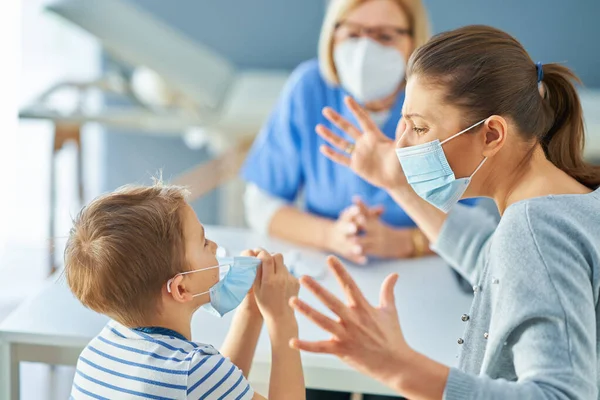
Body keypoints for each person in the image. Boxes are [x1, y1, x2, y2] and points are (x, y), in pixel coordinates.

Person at [288, 25, 600, 399]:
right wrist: (398, 184)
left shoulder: (534, 230)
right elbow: (496, 262)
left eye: (419, 127)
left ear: (491, 136)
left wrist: (397, 367)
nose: (401, 145)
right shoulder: (569, 204)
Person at [241, 0, 457, 265]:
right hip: (326, 268)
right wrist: (330, 235)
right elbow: (260, 203)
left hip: (424, 272)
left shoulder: (437, 102)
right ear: (333, 36)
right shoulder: (310, 89)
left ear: (413, 41)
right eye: (353, 34)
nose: (365, 50)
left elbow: (471, 228)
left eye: (385, 36)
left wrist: (404, 242)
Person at [64, 183, 304, 399]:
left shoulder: (96, 353)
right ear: (180, 288)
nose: (215, 246)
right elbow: (204, 381)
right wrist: (282, 321)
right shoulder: (194, 371)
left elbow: (214, 390)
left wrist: (251, 311)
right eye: (203, 242)